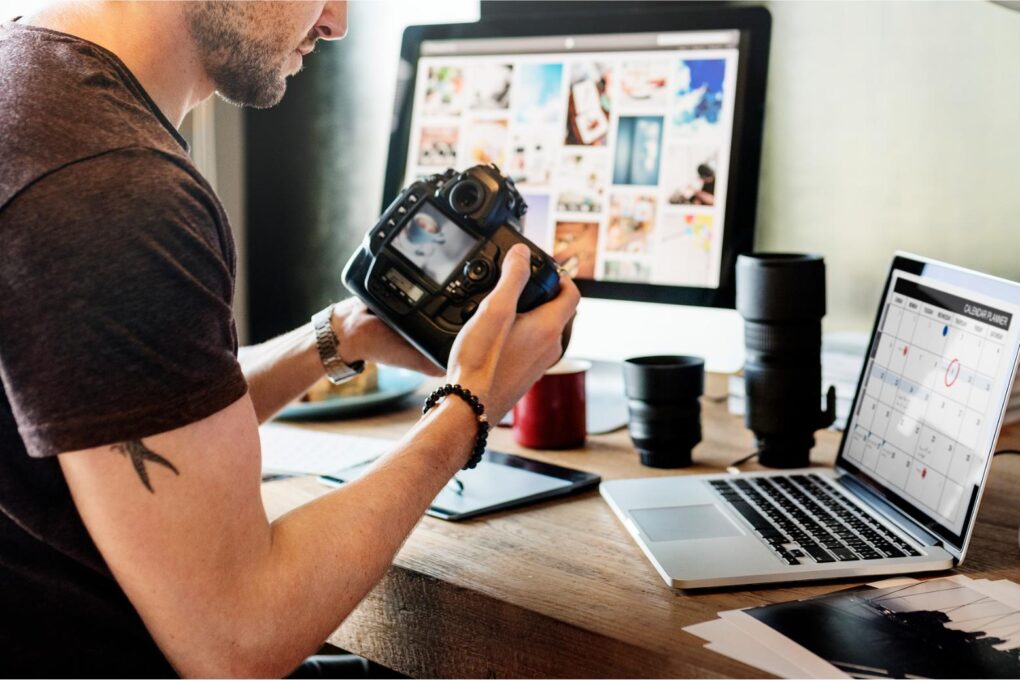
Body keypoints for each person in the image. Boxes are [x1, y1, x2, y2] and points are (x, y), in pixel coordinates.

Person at [0, 1, 579, 676]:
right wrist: (468, 407)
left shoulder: (29, 84)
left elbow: (138, 421)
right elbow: (241, 638)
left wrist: (339, 337)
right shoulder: (115, 187)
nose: (337, 22)